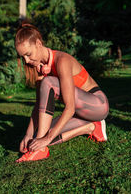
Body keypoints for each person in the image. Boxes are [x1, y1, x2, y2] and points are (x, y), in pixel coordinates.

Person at [14, 22, 109, 162]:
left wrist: (46, 138)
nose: (27, 60)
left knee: (43, 138)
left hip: (97, 105)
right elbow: (39, 105)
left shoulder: (62, 61)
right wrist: (28, 135)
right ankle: (90, 127)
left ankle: (41, 150)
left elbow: (69, 108)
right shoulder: (40, 68)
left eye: (28, 54)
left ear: (39, 43)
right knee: (35, 139)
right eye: (23, 57)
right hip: (81, 113)